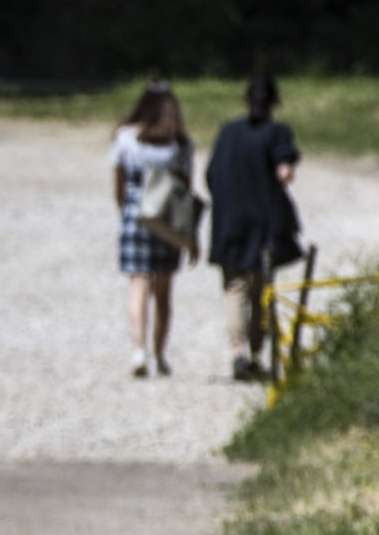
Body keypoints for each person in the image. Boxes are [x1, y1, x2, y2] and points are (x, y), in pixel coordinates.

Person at [206, 72, 303, 381]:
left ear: (246, 99)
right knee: (261, 289)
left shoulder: (228, 133)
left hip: (229, 220)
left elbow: (210, 175)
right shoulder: (277, 133)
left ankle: (237, 352)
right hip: (263, 224)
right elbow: (283, 172)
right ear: (274, 102)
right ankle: (258, 354)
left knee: (235, 288)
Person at [110, 79, 195, 378]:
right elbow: (186, 191)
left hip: (135, 215)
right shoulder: (180, 144)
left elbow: (118, 186)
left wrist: (126, 212)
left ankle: (138, 350)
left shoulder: (125, 138)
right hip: (167, 219)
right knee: (163, 290)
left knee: (138, 283)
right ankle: (160, 354)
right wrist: (189, 236)